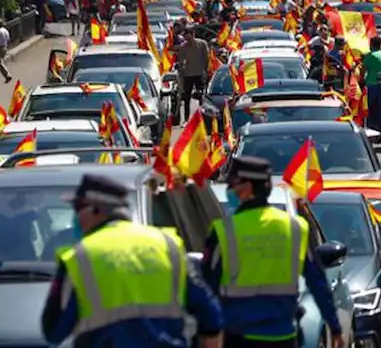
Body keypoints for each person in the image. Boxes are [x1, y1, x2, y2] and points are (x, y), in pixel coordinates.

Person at [41, 174, 223, 348]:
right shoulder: (166, 245)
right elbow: (211, 317)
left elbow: (54, 331)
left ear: (96, 209)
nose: (76, 218)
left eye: (78, 209)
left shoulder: (80, 256)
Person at [203, 157, 345, 348]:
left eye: (233, 184)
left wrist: (207, 333)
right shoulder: (295, 228)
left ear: (247, 187)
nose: (231, 190)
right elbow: (317, 282)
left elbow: (207, 289)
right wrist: (335, 327)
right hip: (283, 338)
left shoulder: (224, 231)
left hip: (237, 339)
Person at [173, 27, 211, 121]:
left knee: (201, 96)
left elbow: (206, 59)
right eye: (186, 38)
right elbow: (181, 63)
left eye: (189, 37)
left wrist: (205, 71)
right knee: (186, 98)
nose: (188, 40)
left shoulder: (202, 44)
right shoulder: (183, 47)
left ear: (193, 35)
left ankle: (203, 118)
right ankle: (186, 119)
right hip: (188, 75)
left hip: (199, 74)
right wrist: (181, 74)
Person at [361, 36, 381, 130]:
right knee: (379, 107)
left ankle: (370, 126)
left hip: (371, 85)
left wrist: (361, 80)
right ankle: (380, 125)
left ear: (371, 45)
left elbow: (363, 70)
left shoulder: (370, 56)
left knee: (369, 107)